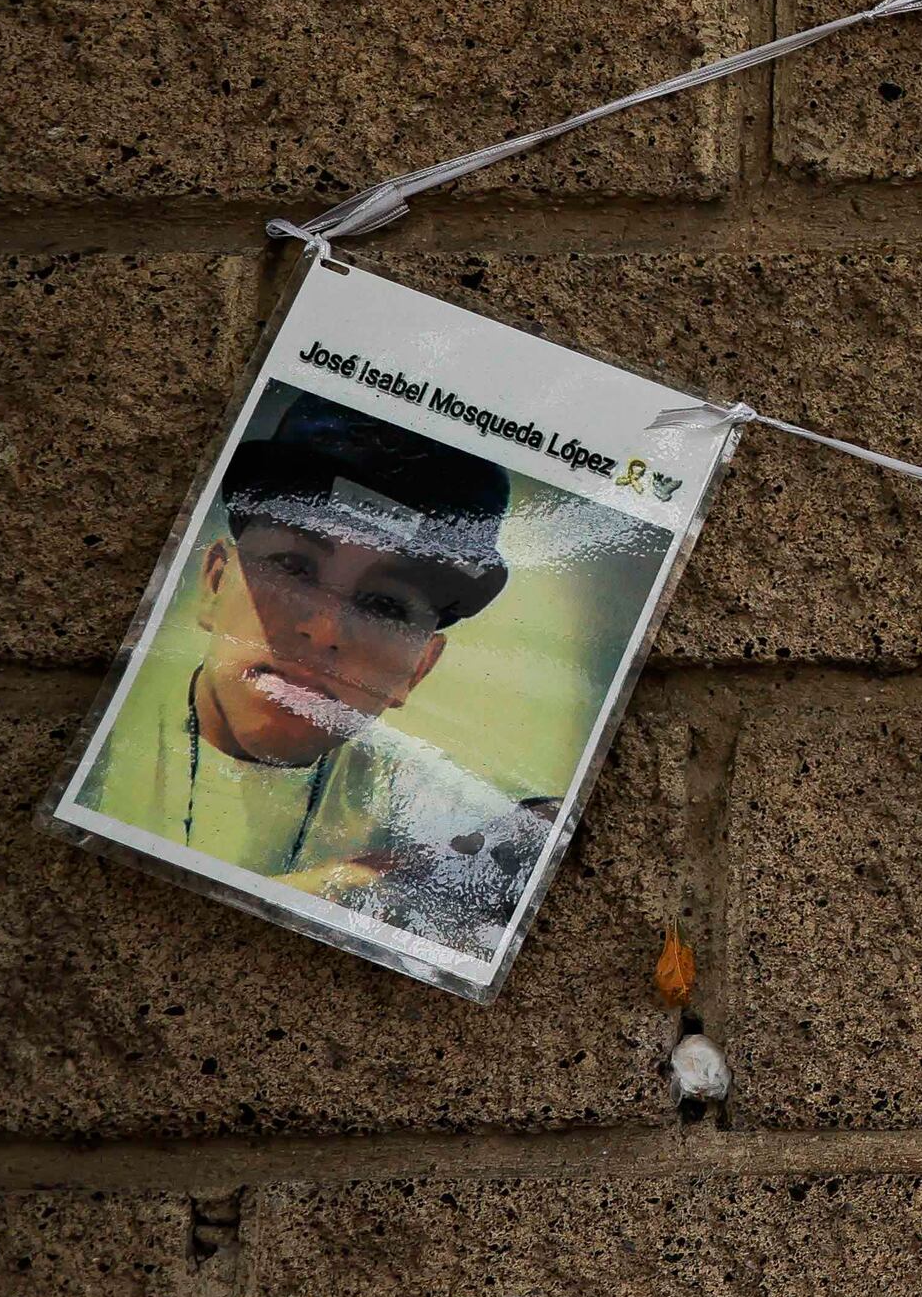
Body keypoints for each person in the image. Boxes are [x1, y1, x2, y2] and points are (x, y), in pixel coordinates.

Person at [73, 394, 570, 949]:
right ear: (215, 583)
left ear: (419, 669)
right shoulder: (92, 743)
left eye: (385, 606)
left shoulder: (402, 788)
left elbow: (541, 823)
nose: (325, 630)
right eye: (293, 568)